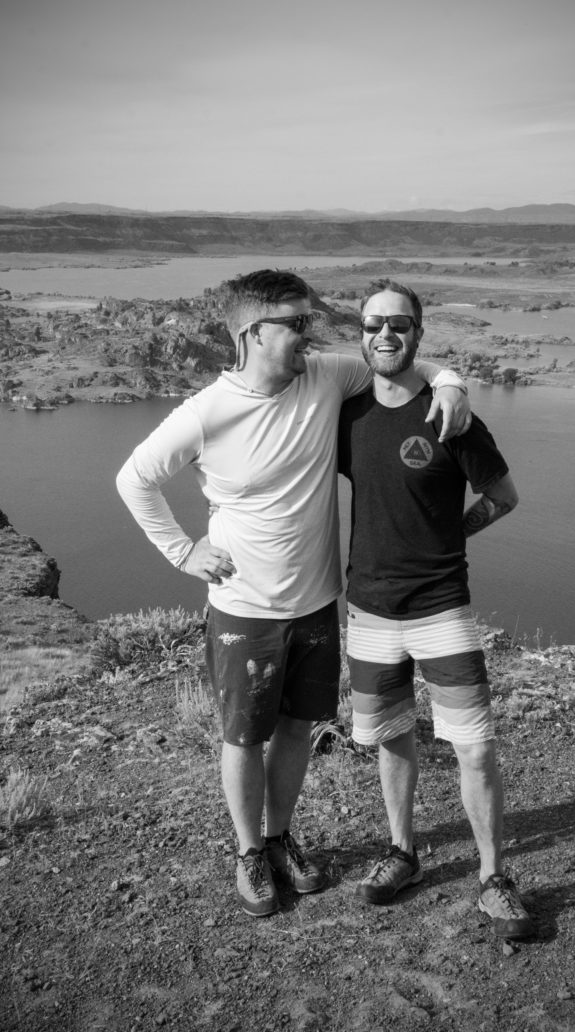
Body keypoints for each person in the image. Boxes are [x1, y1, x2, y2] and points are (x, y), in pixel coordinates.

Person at [116, 269, 471, 919]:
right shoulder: (207, 412)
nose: (311, 333)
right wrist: (184, 552)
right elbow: (135, 478)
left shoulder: (326, 376)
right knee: (243, 736)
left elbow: (403, 362)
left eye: (311, 321)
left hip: (315, 604)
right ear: (253, 333)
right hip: (244, 608)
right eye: (297, 323)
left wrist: (450, 383)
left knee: (297, 728)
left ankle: (279, 839)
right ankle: (249, 852)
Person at [338, 278, 534, 939]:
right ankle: (403, 853)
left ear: (418, 333)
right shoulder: (348, 416)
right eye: (373, 324)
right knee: (392, 737)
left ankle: (493, 878)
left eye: (399, 324)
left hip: (441, 608)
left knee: (474, 747)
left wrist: (454, 533)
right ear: (361, 333)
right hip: (369, 610)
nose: (385, 334)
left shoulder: (451, 415)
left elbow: (503, 496)